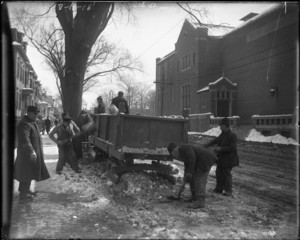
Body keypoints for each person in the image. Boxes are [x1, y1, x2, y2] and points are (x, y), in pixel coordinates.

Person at [14, 106, 50, 201]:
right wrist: (31, 151)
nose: (36, 115)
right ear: (29, 113)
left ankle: (25, 190)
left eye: (37, 114)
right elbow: (25, 140)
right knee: (26, 173)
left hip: (33, 153)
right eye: (35, 114)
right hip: (27, 154)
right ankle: (23, 195)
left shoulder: (31, 122)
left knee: (30, 172)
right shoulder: (25, 124)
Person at [167, 142, 217, 209]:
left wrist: (190, 173)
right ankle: (194, 197)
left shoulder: (185, 148)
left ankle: (200, 202)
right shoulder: (182, 153)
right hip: (200, 161)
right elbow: (187, 166)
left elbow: (192, 158)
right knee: (191, 178)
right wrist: (185, 178)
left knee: (199, 179)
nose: (175, 156)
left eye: (173, 154)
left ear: (174, 150)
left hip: (206, 159)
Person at [204, 117, 239, 197]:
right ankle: (219, 189)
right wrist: (207, 145)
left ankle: (228, 191)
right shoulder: (223, 134)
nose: (220, 127)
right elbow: (216, 140)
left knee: (226, 174)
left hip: (229, 159)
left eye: (221, 125)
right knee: (219, 173)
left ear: (225, 126)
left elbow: (232, 148)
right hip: (221, 158)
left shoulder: (232, 135)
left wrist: (221, 149)